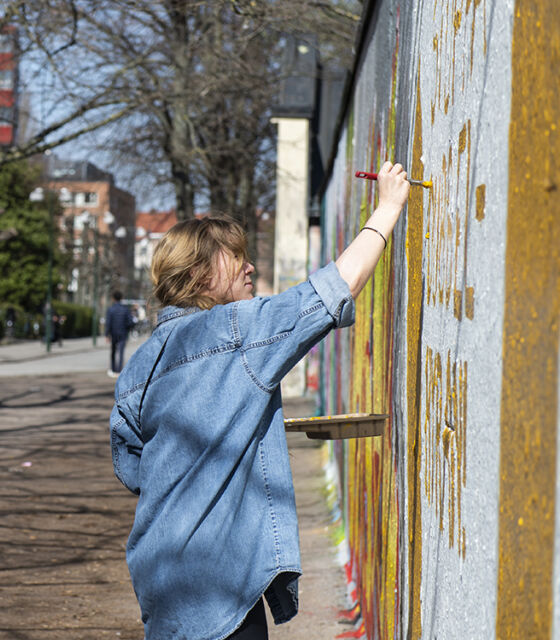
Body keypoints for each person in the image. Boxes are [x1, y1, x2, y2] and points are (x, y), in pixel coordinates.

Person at [110, 162, 410, 639]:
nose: (250, 266)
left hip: (159, 578)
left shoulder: (139, 367)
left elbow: (132, 469)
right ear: (199, 275)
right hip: (218, 587)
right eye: (235, 258)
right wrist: (390, 206)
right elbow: (333, 291)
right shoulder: (235, 331)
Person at [105, 290, 135, 377]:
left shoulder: (110, 309)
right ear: (121, 298)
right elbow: (130, 322)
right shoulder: (125, 309)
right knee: (121, 352)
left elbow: (108, 323)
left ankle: (113, 370)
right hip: (123, 333)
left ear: (113, 298)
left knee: (113, 351)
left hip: (113, 333)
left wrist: (107, 334)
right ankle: (119, 370)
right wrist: (127, 329)